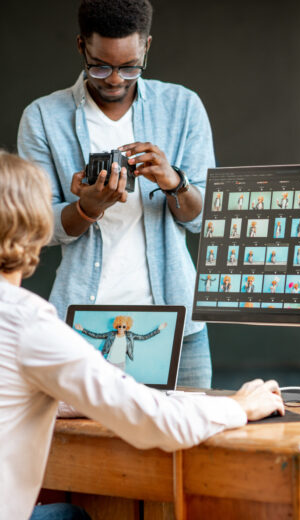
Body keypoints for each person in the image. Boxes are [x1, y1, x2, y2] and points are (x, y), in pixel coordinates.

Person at [0, 151, 285, 520]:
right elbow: (154, 421)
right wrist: (239, 406)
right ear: (36, 230)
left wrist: (71, 396)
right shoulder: (27, 323)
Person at [18, 0, 214, 388]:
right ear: (80, 46)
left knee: (191, 445)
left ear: (147, 47)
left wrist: (175, 182)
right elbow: (37, 227)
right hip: (80, 324)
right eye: (100, 65)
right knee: (88, 447)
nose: (114, 79)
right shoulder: (43, 116)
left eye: (129, 67)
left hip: (176, 321)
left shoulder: (182, 107)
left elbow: (205, 220)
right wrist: (86, 209)